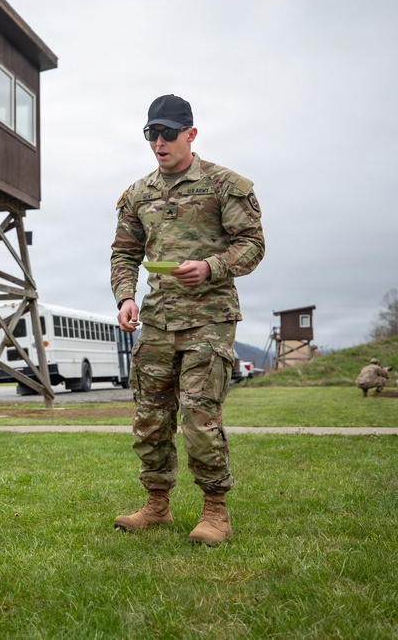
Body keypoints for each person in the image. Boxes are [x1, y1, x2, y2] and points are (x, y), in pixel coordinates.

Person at [110, 94, 265, 546]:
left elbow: (252, 245)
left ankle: (215, 511)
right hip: (157, 319)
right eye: (150, 134)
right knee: (151, 417)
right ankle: (156, 505)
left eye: (168, 134)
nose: (158, 142)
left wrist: (211, 267)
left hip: (209, 318)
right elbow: (124, 253)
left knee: (200, 416)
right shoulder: (138, 195)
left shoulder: (225, 185)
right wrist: (125, 297)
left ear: (190, 134)